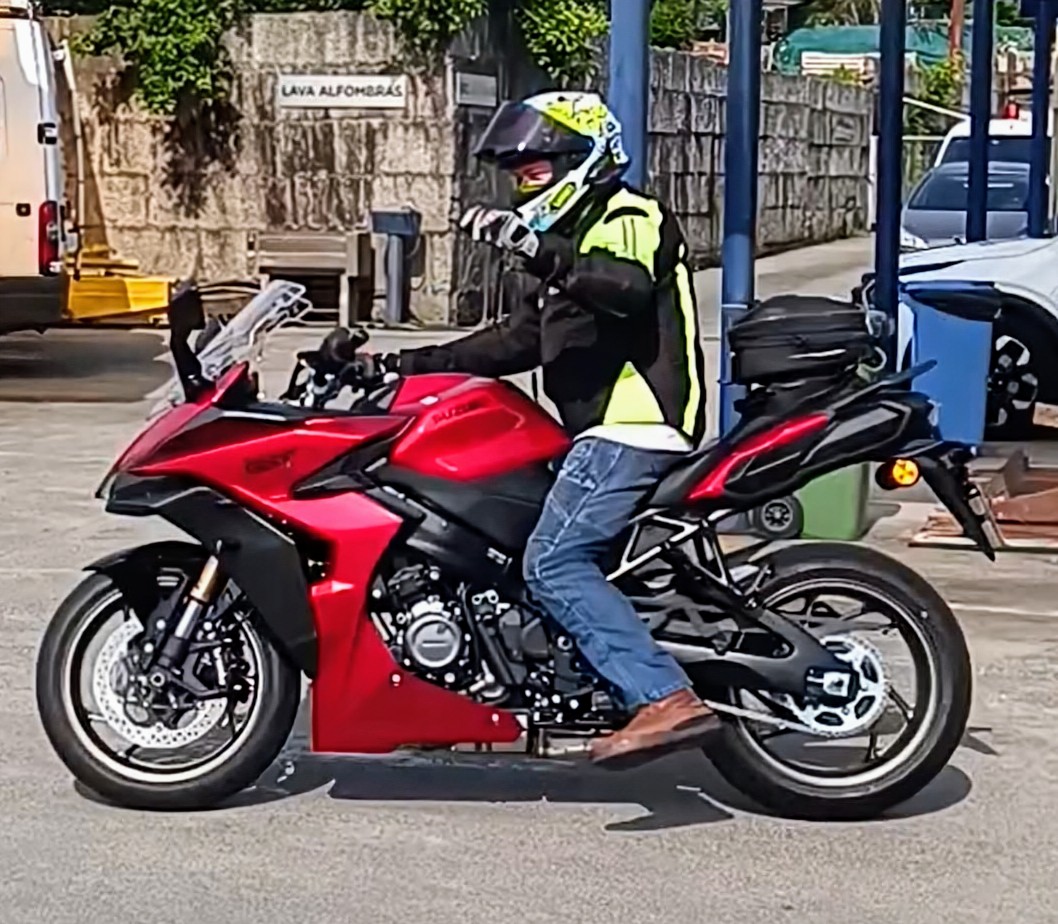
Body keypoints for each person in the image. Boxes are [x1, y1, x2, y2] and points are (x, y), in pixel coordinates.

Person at [370, 90, 718, 768]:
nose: (523, 180)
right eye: (516, 171)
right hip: (597, 429)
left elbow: (625, 289)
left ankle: (664, 696)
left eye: (535, 167)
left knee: (553, 561)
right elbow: (514, 342)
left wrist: (541, 250)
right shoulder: (563, 241)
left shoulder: (626, 214)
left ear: (581, 160)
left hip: (637, 424)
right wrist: (399, 363)